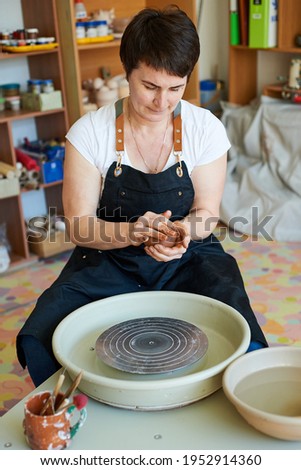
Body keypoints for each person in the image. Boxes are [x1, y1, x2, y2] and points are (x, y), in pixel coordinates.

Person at [17, 5, 268, 387]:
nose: (162, 102)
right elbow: (80, 227)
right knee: (45, 328)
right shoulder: (89, 133)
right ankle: (76, 411)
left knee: (237, 317)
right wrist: (133, 232)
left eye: (175, 88)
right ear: (127, 72)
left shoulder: (206, 129)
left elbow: (206, 213)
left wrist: (182, 232)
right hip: (108, 256)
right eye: (150, 86)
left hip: (188, 255)